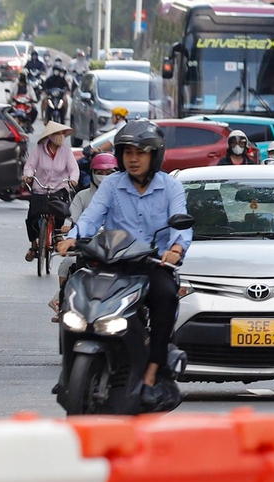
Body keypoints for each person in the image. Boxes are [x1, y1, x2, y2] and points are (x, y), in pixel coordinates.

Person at [58, 120, 190, 410]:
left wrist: (177, 248)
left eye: (141, 152)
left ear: (154, 155)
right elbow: (91, 217)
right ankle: (68, 371)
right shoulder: (112, 185)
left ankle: (152, 376)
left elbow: (181, 223)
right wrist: (72, 237)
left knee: (166, 296)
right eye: (128, 151)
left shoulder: (171, 187)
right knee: (72, 285)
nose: (133, 158)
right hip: (112, 262)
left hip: (151, 264)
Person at [22, 121, 79, 260]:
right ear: (50, 136)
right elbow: (30, 166)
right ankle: (34, 244)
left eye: (62, 134)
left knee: (61, 211)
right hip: (40, 188)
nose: (61, 136)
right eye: (57, 133)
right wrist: (28, 176)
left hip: (58, 188)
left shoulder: (66, 151)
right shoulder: (39, 149)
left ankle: (57, 236)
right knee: (32, 217)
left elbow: (73, 169)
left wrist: (73, 179)